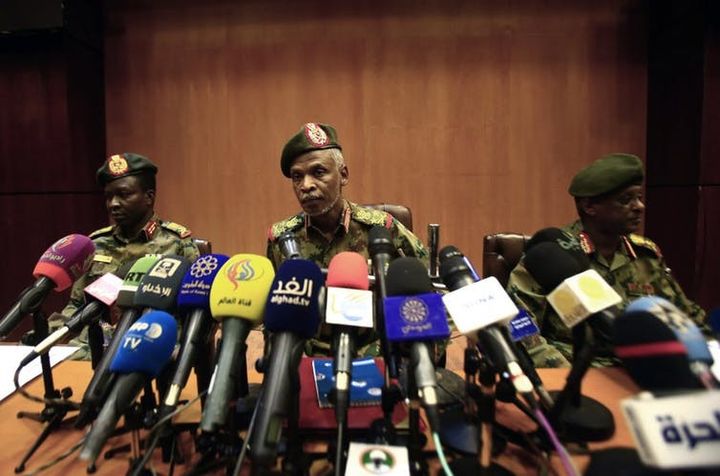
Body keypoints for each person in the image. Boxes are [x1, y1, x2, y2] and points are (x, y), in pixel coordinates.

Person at [507, 153, 706, 367]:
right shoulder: (551, 254)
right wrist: (564, 374)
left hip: (640, 373)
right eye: (626, 200)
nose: (639, 206)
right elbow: (519, 327)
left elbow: (687, 317)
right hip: (578, 372)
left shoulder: (645, 255)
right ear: (589, 206)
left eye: (639, 197)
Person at [266, 122, 429, 357]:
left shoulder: (381, 229)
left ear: (343, 175)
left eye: (318, 172)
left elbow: (433, 291)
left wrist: (414, 357)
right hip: (308, 358)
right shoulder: (282, 239)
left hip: (376, 354)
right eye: (297, 177)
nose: (306, 185)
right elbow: (272, 315)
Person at [49, 153, 200, 359]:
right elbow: (77, 305)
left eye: (124, 194)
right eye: (109, 197)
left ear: (149, 197)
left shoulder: (177, 243)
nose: (113, 204)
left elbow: (192, 314)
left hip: (147, 348)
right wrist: (49, 338)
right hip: (90, 350)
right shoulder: (95, 244)